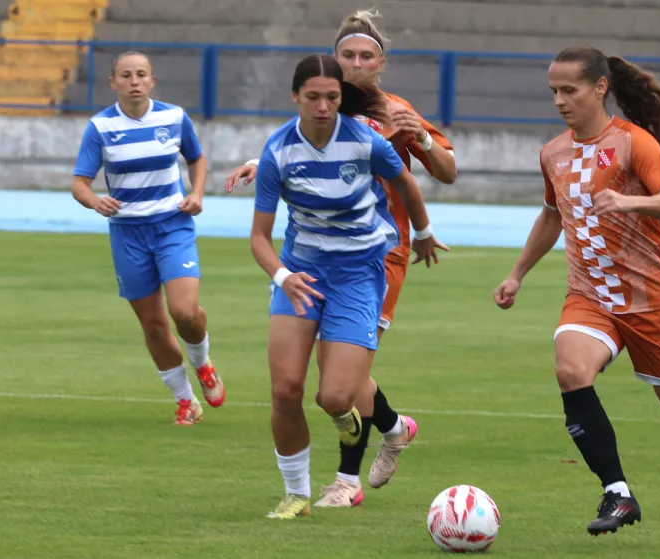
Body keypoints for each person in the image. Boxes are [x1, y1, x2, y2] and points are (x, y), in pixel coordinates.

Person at [492, 44, 660, 549]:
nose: (559, 100)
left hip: (653, 301)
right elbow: (553, 215)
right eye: (553, 91)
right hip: (591, 297)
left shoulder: (633, 143)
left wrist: (628, 201)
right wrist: (517, 275)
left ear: (600, 88)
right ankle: (617, 492)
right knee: (571, 370)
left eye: (569, 90)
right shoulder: (552, 152)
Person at [226, 9, 457, 508]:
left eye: (365, 56)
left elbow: (445, 171)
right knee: (326, 380)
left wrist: (417, 135)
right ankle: (391, 429)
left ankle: (348, 479)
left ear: (380, 63)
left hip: (381, 253)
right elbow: (295, 149)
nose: (355, 64)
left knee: (341, 381)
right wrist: (257, 163)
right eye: (346, 55)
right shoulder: (323, 108)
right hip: (309, 258)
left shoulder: (392, 114)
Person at [71, 51, 225, 426]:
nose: (134, 81)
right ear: (114, 83)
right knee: (153, 325)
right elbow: (79, 182)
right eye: (126, 75)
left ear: (152, 81)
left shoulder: (173, 117)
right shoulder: (101, 127)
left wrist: (198, 193)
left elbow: (197, 158)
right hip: (128, 233)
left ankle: (203, 363)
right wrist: (94, 201)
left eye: (141, 74)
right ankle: (185, 400)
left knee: (185, 312)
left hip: (172, 224)